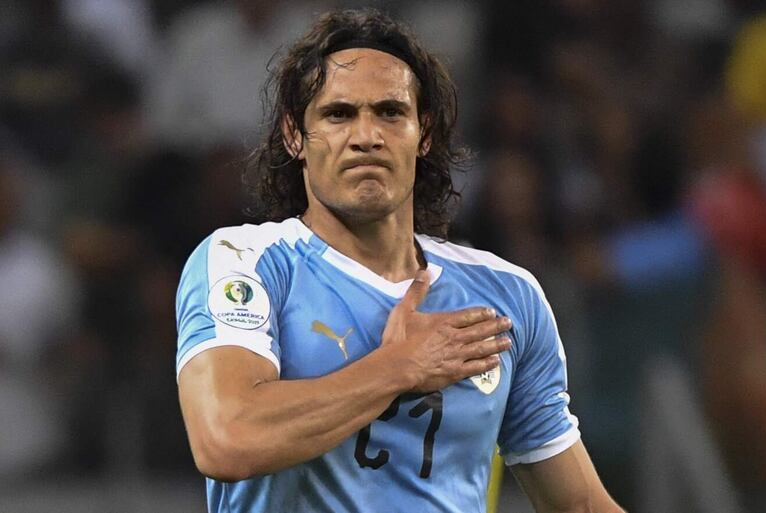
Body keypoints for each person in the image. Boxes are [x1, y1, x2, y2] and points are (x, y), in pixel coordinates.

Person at [175, 8, 624, 513]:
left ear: (423, 132)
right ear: (294, 135)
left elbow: (580, 505)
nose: (367, 135)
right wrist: (399, 368)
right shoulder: (247, 263)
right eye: (338, 114)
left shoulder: (505, 296)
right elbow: (226, 438)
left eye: (390, 112)